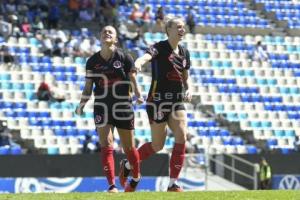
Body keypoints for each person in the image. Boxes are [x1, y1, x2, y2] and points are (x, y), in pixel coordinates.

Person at [119, 17, 192, 192]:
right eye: (178, 27)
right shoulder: (159, 47)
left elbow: (186, 78)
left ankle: (173, 183)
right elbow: (145, 58)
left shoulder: (184, 52)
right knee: (157, 145)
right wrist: (136, 64)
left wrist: (188, 89)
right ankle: (128, 164)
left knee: (182, 135)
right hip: (157, 101)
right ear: (169, 30)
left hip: (176, 101)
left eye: (183, 27)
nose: (182, 30)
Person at [75, 25, 143, 193]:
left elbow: (133, 79)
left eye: (110, 32)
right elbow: (88, 86)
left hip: (123, 106)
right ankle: (112, 185)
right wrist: (81, 104)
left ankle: (135, 176)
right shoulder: (92, 61)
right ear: (100, 38)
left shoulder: (125, 57)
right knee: (106, 144)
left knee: (129, 148)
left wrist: (138, 95)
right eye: (104, 32)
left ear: (116, 39)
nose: (106, 33)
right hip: (102, 106)